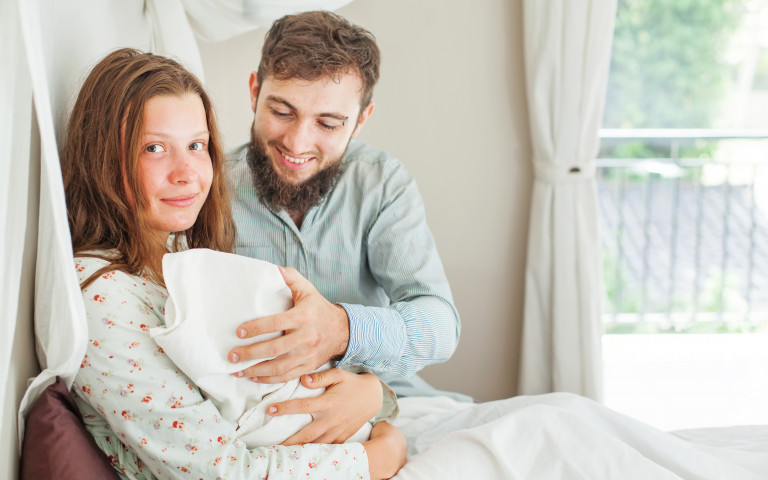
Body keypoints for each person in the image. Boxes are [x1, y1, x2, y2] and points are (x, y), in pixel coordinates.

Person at [62, 47, 406, 480]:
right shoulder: (103, 299)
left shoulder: (178, 260)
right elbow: (222, 471)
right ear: (103, 159)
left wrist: (373, 395)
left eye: (196, 145)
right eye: (153, 148)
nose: (187, 172)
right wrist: (377, 459)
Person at [227, 12, 468, 430]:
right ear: (254, 92)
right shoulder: (207, 189)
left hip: (387, 396)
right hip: (254, 408)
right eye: (282, 111)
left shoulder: (382, 183)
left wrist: (343, 331)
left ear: (361, 119)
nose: (298, 143)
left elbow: (440, 325)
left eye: (328, 123)